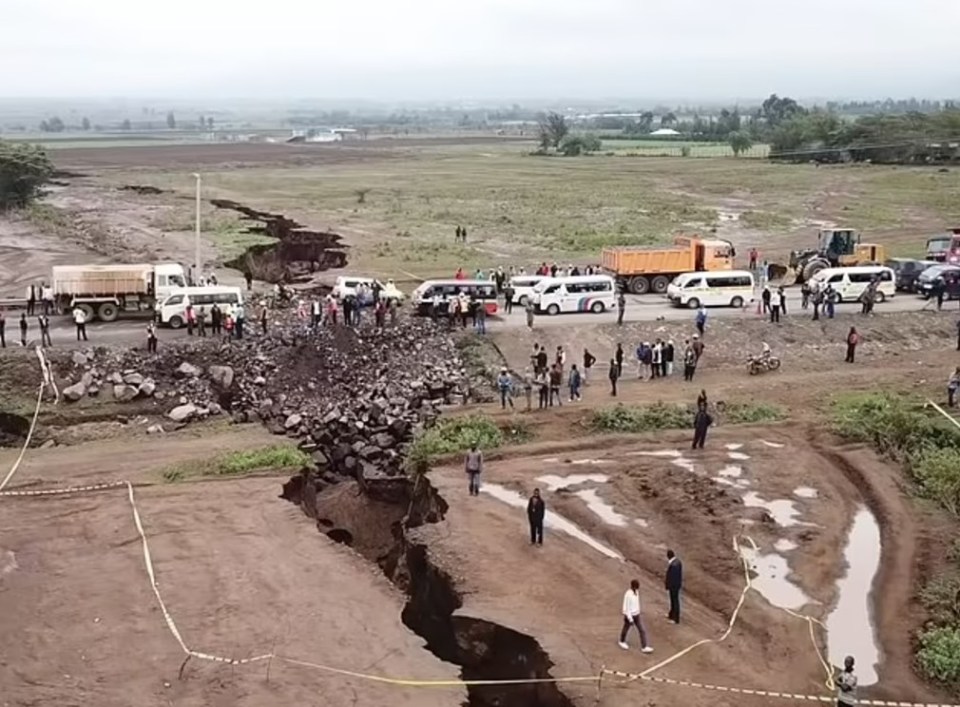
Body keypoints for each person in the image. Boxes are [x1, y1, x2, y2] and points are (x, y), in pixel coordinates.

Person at [618, 579, 653, 653]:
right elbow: (627, 607)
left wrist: (638, 612)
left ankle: (644, 646)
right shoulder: (628, 594)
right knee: (626, 628)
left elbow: (636, 603)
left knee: (642, 630)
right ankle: (622, 641)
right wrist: (630, 618)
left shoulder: (636, 592)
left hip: (636, 615)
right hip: (630, 615)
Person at [665, 549, 683, 624]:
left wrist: (668, 585)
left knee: (674, 601)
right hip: (676, 585)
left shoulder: (673, 565)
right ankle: (671, 614)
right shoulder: (677, 562)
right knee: (673, 601)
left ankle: (676, 619)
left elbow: (672, 577)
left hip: (673, 586)